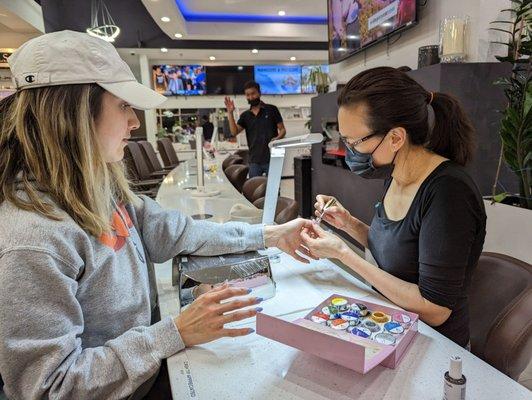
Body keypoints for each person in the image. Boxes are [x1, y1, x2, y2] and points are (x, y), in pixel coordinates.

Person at [0, 30, 316, 400]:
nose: (134, 122)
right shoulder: (32, 240)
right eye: (123, 105)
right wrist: (175, 333)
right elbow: (48, 387)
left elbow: (177, 232)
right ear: (73, 114)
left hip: (145, 369)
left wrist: (270, 235)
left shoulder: (99, 190)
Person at [300, 67, 486, 348]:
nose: (349, 150)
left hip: (434, 345)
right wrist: (348, 222)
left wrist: (343, 254)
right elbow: (395, 251)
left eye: (354, 142)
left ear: (396, 138)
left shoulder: (449, 193)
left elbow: (434, 309)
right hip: (389, 323)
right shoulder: (396, 173)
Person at [224, 81, 286, 177]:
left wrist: (277, 138)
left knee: (274, 189)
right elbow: (234, 132)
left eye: (253, 94)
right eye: (248, 95)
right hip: (254, 160)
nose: (251, 97)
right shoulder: (245, 116)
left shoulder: (272, 109)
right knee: (254, 189)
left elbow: (282, 130)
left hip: (273, 157)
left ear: (259, 93)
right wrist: (230, 113)